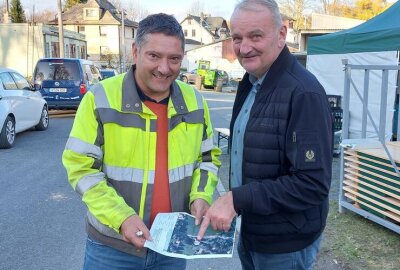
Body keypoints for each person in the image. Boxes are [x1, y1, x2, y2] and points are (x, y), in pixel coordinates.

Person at [62, 13, 221, 270]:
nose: (165, 68)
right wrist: (122, 217)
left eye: (174, 59)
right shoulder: (100, 98)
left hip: (172, 245)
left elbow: (207, 159)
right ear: (136, 52)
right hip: (113, 248)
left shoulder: (195, 101)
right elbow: (80, 168)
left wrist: (201, 196)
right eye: (154, 56)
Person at [197, 1, 333, 269]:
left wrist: (238, 198)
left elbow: (312, 184)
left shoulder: (303, 93)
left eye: (255, 36)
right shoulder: (249, 83)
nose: (244, 48)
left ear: (281, 35)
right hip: (253, 232)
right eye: (237, 38)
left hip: (285, 244)